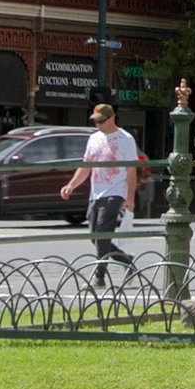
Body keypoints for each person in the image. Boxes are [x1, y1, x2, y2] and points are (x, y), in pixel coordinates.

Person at [59, 103, 140, 283]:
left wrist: (130, 198)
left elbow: (131, 170)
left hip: (115, 191)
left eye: (101, 121)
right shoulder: (94, 138)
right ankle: (126, 260)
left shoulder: (125, 139)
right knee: (95, 236)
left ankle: (99, 276)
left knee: (102, 233)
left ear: (111, 118)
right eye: (95, 122)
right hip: (96, 192)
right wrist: (71, 185)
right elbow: (86, 166)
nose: (98, 125)